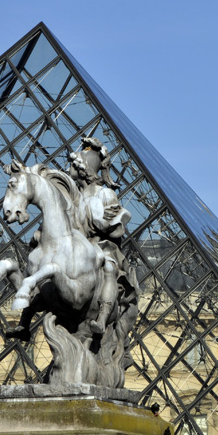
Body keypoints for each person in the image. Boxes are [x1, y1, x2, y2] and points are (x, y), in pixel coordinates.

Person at [68, 136, 133, 335]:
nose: (68, 169)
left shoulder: (104, 194)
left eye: (72, 165)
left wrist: (100, 222)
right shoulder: (72, 198)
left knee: (108, 270)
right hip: (77, 249)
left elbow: (118, 226)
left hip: (103, 248)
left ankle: (103, 317)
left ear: (83, 168)